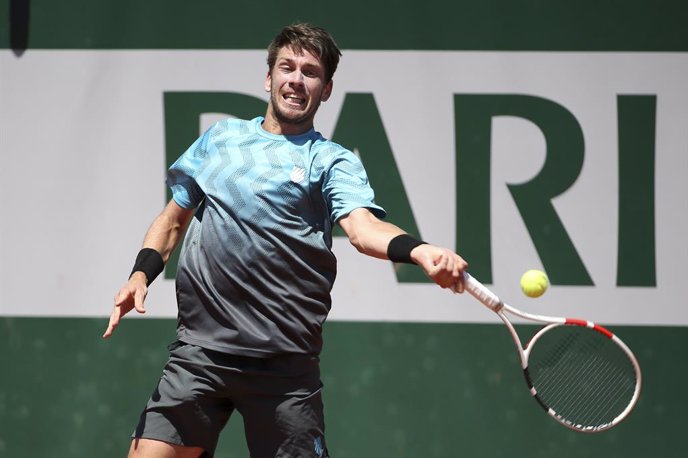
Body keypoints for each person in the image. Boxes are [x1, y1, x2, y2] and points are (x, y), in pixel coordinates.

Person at [103, 23, 468, 458]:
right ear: (269, 78)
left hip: (283, 369)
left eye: (310, 72)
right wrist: (141, 272)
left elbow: (362, 228)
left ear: (327, 89)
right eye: (287, 67)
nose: (296, 79)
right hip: (199, 354)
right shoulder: (221, 139)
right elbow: (173, 219)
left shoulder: (331, 162)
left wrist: (419, 250)